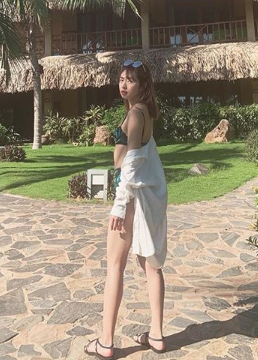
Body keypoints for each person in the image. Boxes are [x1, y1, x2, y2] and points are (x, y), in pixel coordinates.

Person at [85, 59, 168, 358]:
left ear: (143, 85)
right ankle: (156, 335)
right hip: (143, 197)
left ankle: (106, 341)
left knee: (115, 267)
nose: (123, 84)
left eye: (130, 80)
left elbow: (130, 164)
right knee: (152, 266)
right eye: (121, 78)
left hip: (130, 197)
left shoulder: (135, 114)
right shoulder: (145, 112)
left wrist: (119, 207)